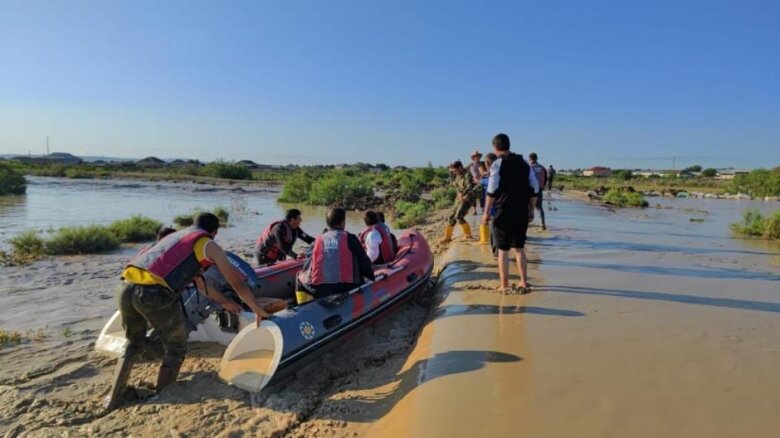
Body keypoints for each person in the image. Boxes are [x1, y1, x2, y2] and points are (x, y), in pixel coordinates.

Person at [105, 213, 268, 410]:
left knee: (133, 342)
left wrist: (224, 302)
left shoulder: (176, 239)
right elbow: (237, 283)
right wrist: (257, 309)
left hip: (125, 288)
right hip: (154, 293)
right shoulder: (208, 244)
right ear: (215, 232)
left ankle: (115, 397)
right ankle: (164, 393)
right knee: (176, 347)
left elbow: (200, 283)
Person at [482, 134, 539, 294]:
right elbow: (534, 188)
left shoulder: (497, 164)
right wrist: (531, 210)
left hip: (503, 212)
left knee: (503, 250)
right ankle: (523, 282)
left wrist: (486, 212)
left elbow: (491, 191)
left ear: (495, 147)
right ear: (509, 145)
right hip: (521, 211)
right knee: (519, 248)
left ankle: (504, 285)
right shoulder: (524, 163)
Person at [296, 207, 375, 300]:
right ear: (343, 223)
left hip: (319, 289)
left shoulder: (317, 240)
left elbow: (307, 266)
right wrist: (371, 278)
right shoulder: (351, 239)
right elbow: (364, 262)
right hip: (348, 287)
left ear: (327, 223)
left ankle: (304, 305)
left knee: (298, 276)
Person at [441, 160, 479, 243]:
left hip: (468, 198)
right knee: (451, 216)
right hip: (459, 198)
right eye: (454, 171)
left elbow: (470, 187)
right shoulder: (457, 176)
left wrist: (464, 195)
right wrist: (459, 193)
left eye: (456, 170)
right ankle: (447, 236)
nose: (455, 172)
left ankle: (468, 234)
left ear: (460, 168)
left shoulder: (467, 175)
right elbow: (456, 186)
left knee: (459, 216)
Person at [529, 152, 547, 231]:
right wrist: (542, 187)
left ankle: (527, 223)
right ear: (537, 158)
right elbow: (546, 178)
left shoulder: (529, 167)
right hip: (539, 188)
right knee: (539, 207)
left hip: (531, 189)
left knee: (529, 207)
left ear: (530, 159)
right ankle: (543, 223)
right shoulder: (542, 168)